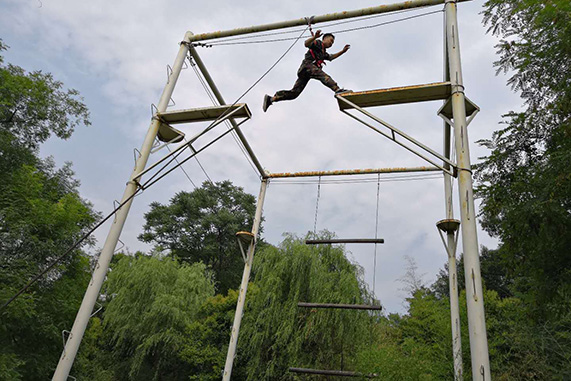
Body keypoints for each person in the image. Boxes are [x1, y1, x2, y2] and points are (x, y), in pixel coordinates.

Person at [263, 30, 351, 112]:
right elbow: (306, 43)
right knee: (323, 76)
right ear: (324, 38)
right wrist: (314, 37)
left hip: (306, 73)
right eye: (331, 40)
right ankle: (337, 89)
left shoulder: (323, 52)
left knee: (295, 93)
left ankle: (271, 99)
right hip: (307, 67)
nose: (331, 43)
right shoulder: (318, 43)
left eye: (332, 43)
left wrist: (342, 51)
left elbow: (331, 57)